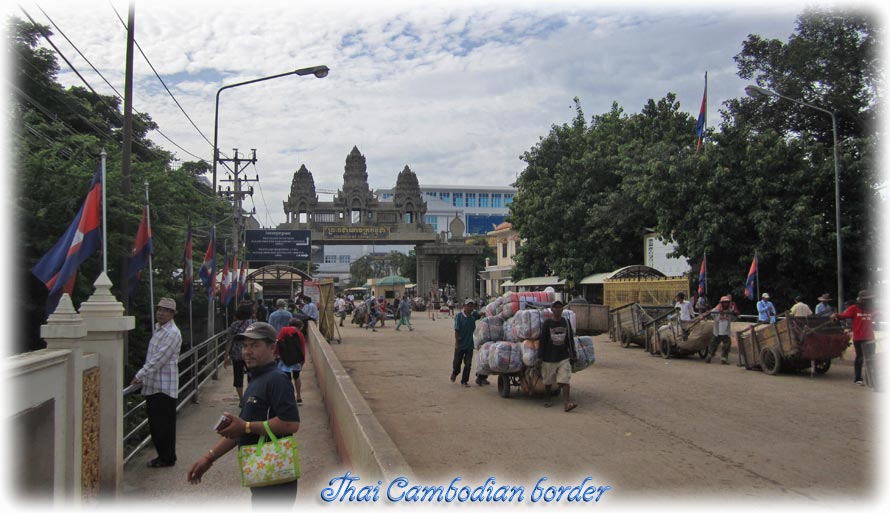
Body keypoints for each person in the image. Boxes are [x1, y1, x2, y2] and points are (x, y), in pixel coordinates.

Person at [187, 322, 300, 504]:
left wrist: (246, 426)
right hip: (261, 472)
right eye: (245, 346)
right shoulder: (256, 379)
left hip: (275, 475)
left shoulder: (277, 380)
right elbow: (241, 430)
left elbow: (291, 423)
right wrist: (209, 457)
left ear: (272, 348)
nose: (247, 351)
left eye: (255, 345)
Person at [131, 297, 183, 468]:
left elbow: (159, 358)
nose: (160, 313)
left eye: (165, 310)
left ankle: (167, 458)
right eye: (159, 309)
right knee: (156, 424)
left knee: (163, 425)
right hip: (153, 385)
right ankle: (163, 455)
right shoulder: (159, 329)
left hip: (164, 386)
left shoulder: (172, 333)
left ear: (172, 314)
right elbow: (152, 357)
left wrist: (140, 374)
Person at [537, 299, 578, 411]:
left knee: (565, 380)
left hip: (563, 357)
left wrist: (573, 354)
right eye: (556, 307)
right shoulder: (547, 323)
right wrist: (540, 356)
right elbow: (543, 340)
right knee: (548, 381)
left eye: (560, 307)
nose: (558, 309)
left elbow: (570, 339)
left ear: (562, 309)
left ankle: (567, 403)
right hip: (548, 357)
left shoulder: (566, 322)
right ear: (552, 309)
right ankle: (548, 399)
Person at [832, 289, 876, 386]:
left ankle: (871, 379)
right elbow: (843, 316)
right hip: (859, 338)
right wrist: (836, 315)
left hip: (870, 338)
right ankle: (858, 378)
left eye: (869, 299)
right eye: (866, 299)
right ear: (860, 300)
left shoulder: (872, 309)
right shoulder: (853, 308)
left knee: (871, 359)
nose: (868, 301)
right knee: (860, 358)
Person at [223, 303, 255, 406]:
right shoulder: (253, 323)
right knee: (252, 376)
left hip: (236, 355)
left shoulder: (234, 325)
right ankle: (250, 398)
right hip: (250, 353)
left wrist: (225, 357)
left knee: (238, 377)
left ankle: (241, 400)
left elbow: (229, 341)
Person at [451, 299, 484, 387]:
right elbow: (457, 330)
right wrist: (456, 343)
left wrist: (484, 312)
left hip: (470, 344)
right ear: (464, 306)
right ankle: (455, 373)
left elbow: (480, 314)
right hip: (461, 344)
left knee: (468, 364)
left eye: (471, 306)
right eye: (468, 306)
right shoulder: (459, 316)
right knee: (457, 363)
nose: (470, 308)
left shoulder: (473, 315)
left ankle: (464, 381)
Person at [277, 318, 307, 403]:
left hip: (285, 359)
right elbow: (302, 348)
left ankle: (289, 396)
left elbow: (278, 342)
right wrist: (302, 361)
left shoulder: (283, 330)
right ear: (299, 326)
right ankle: (298, 395)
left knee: (287, 378)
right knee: (296, 377)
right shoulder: (299, 334)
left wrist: (276, 354)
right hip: (296, 359)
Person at [707, 295, 738, 364]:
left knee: (727, 345)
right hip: (717, 331)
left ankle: (724, 358)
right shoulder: (716, 309)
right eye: (724, 302)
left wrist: (735, 314)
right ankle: (709, 356)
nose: (726, 304)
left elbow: (734, 318)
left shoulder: (730, 310)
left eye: (727, 302)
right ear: (721, 303)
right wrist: (710, 314)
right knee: (713, 344)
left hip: (726, 332)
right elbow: (711, 315)